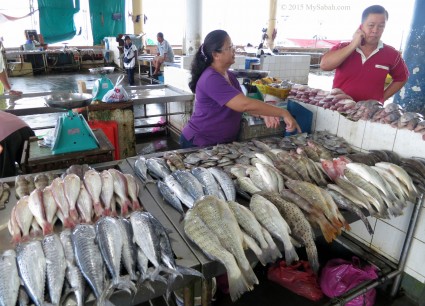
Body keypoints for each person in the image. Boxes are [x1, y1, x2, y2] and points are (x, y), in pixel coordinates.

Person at [180, 29, 300, 148]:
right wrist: (283, 112)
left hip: (220, 144)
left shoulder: (229, 76)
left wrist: (263, 114)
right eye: (229, 47)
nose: (234, 50)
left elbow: (242, 105)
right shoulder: (211, 78)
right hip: (200, 142)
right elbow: (244, 105)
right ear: (216, 54)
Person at [320, 5, 408, 103]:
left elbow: (402, 78)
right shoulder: (342, 47)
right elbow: (324, 65)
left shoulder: (392, 54)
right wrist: (353, 45)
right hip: (339, 107)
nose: (375, 30)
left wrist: (381, 99)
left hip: (369, 112)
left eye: (381, 26)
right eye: (371, 25)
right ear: (361, 26)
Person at [0, 52, 34, 177]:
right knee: (33, 169)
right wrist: (8, 89)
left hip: (4, 140)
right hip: (23, 128)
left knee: (5, 178)